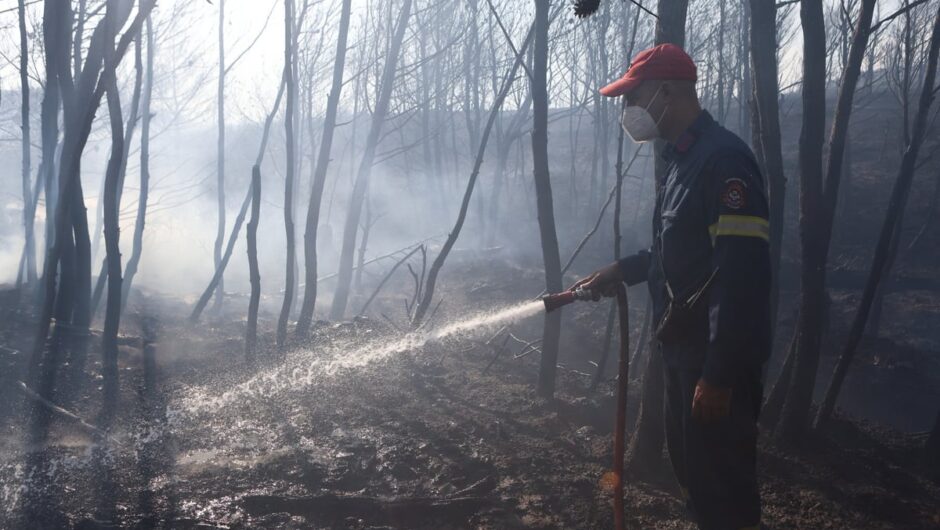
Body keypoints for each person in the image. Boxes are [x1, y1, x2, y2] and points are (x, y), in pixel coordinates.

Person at [574, 43, 771, 530]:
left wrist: (719, 374)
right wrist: (623, 269)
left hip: (712, 364)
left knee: (724, 499)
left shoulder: (724, 163)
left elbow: (740, 275)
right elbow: (678, 255)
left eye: (632, 98)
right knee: (698, 487)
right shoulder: (684, 161)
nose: (628, 111)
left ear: (667, 92)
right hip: (684, 355)